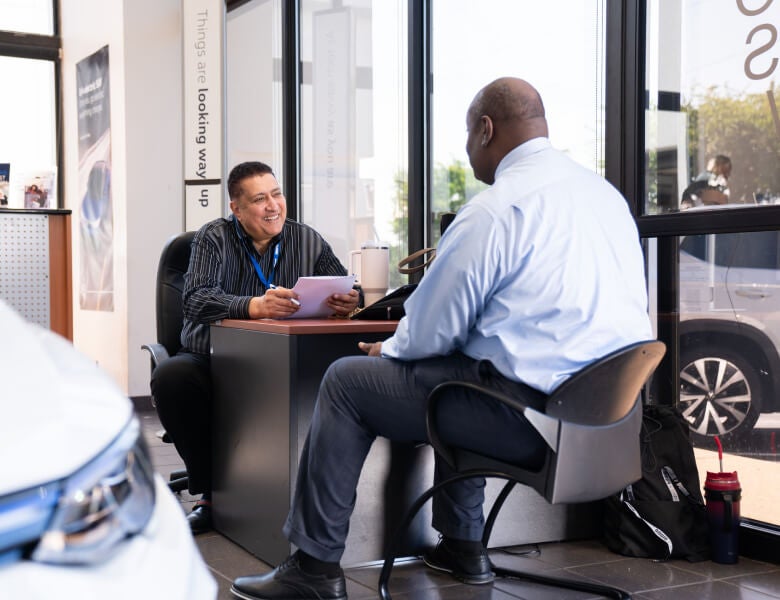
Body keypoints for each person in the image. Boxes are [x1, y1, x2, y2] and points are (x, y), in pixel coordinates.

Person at [229, 78, 653, 600]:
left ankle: (313, 570)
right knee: (464, 369)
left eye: (468, 136)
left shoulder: (496, 210)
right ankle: (462, 546)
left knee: (347, 381)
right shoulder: (605, 197)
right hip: (604, 421)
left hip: (528, 420)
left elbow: (431, 329)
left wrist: (391, 347)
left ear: (485, 129)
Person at [151, 161, 359, 535]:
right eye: (260, 199)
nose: (273, 206)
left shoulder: (307, 239)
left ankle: (296, 498)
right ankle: (210, 494)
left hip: (278, 359)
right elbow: (195, 300)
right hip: (213, 358)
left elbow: (342, 283)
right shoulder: (212, 238)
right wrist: (253, 305)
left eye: (277, 194)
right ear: (237, 209)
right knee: (172, 376)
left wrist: (350, 300)